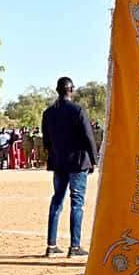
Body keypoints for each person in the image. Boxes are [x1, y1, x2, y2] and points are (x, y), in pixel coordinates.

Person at [41, 76, 98, 258]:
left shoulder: (48, 113)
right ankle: (74, 246)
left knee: (57, 200)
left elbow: (47, 141)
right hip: (78, 162)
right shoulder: (78, 110)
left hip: (59, 163)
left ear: (57, 90)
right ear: (71, 90)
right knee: (77, 202)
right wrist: (94, 159)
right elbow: (88, 137)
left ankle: (51, 245)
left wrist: (55, 154)